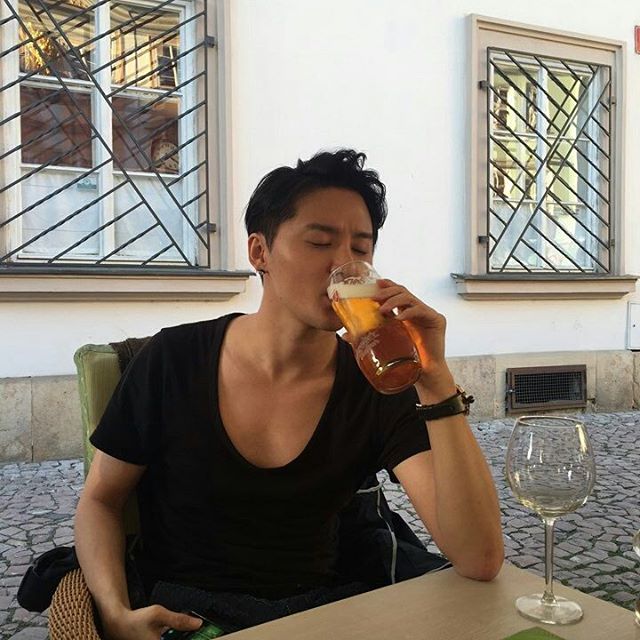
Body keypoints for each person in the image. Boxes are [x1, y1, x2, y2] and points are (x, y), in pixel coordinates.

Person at [74, 149, 504, 640]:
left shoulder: (374, 381)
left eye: (361, 249)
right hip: (189, 618)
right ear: (260, 253)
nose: (344, 265)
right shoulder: (173, 360)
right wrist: (114, 612)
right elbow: (101, 500)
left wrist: (435, 379)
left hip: (319, 617)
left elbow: (478, 558)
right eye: (320, 242)